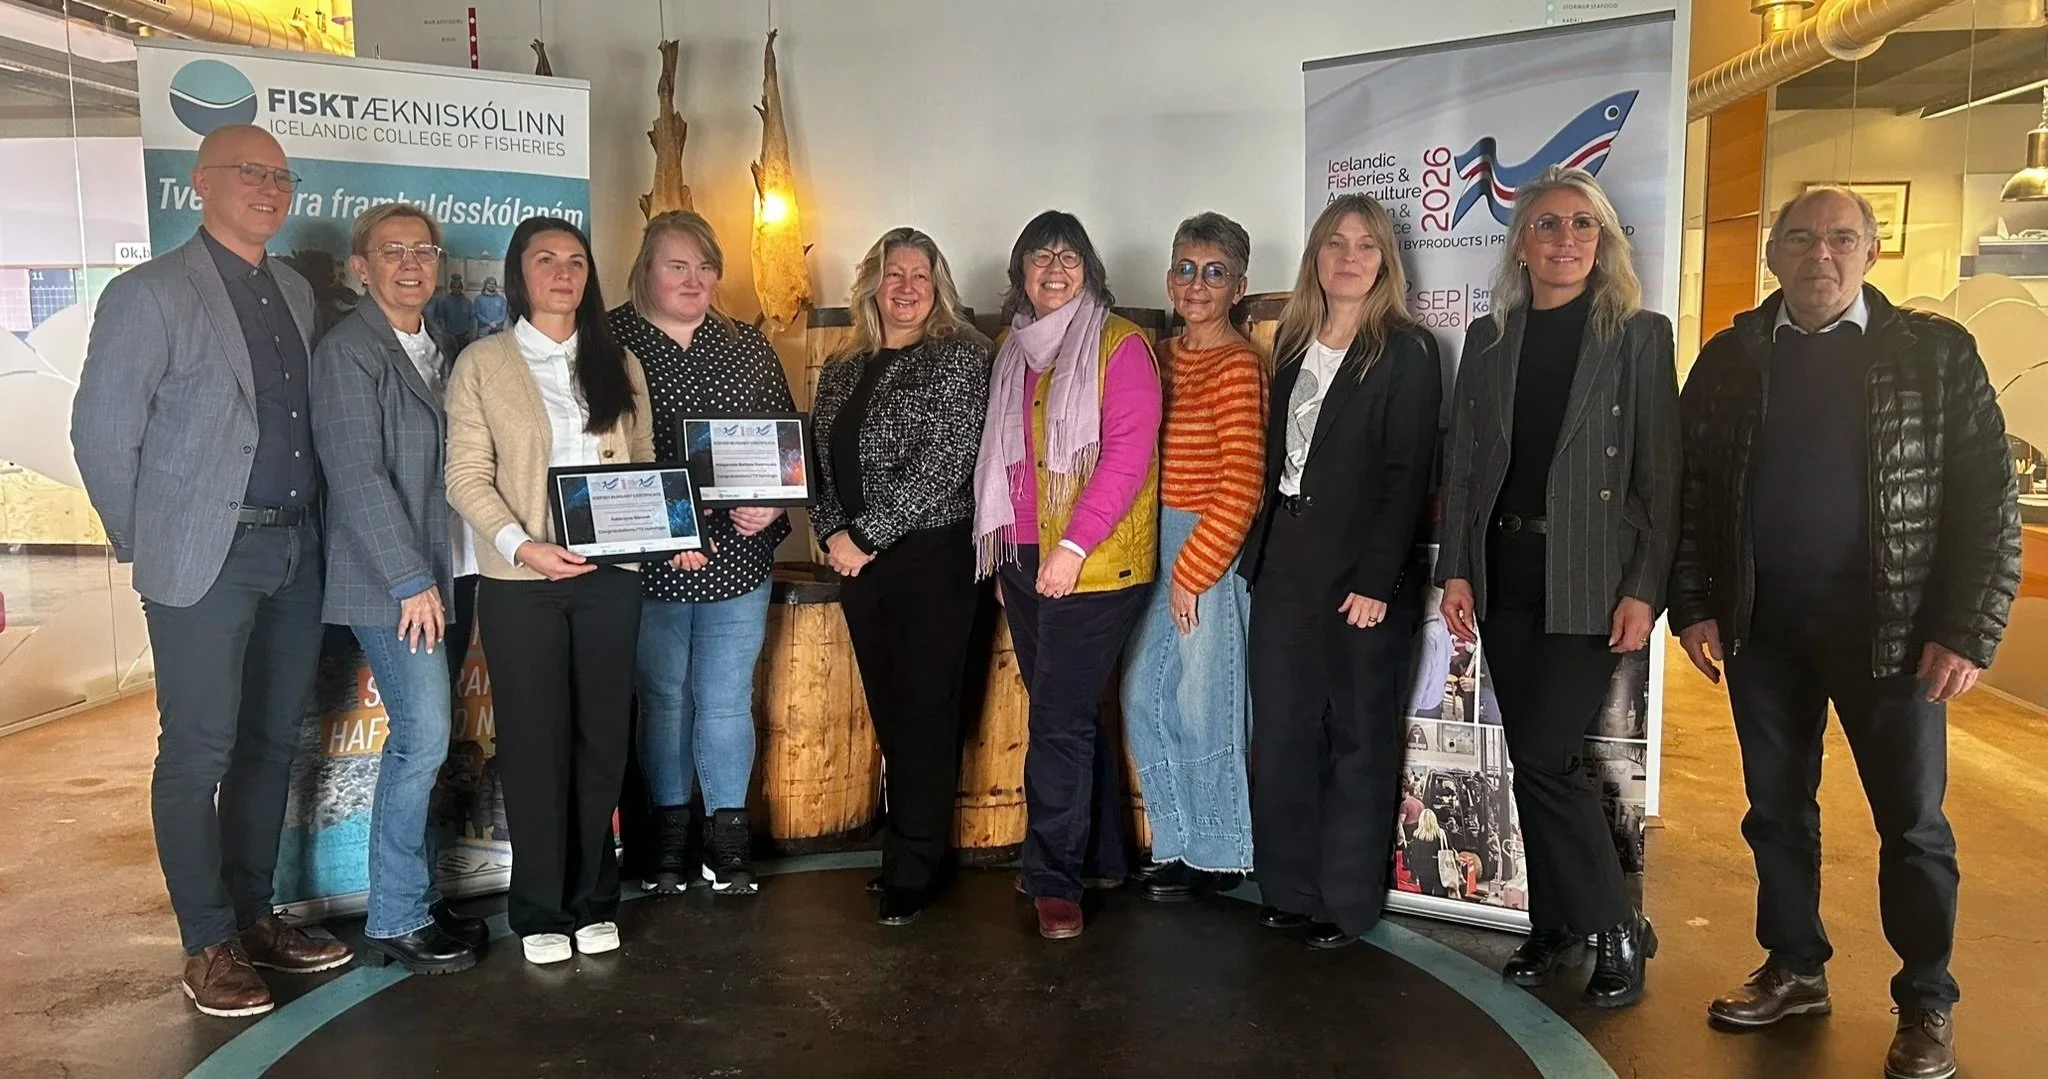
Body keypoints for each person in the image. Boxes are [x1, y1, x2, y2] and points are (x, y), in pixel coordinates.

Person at [1670, 185, 2020, 1079]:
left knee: (1913, 824)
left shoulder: (1935, 354)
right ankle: (1795, 966)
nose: (1818, 254)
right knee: (1776, 813)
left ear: (1870, 252)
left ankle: (1927, 999)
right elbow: (1691, 491)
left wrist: (1966, 629)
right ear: (1774, 254)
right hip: (1765, 632)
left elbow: (1988, 501)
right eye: (1800, 238)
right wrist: (1696, 602)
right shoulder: (1731, 359)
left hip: (1894, 638)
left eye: (1839, 238)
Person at [71, 124, 349, 1017]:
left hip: (295, 549)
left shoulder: (295, 291)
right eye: (250, 172)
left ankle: (256, 916)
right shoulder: (148, 293)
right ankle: (207, 941)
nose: (269, 189)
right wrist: (149, 543)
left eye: (281, 176)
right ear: (202, 183)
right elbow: (101, 433)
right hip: (204, 558)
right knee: (197, 751)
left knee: (271, 742)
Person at [1436, 166, 1679, 1008]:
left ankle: (1616, 925)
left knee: (1544, 754)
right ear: (1521, 244)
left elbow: (1662, 478)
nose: (1564, 238)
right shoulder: (1489, 337)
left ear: (1602, 242)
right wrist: (1457, 565)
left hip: (1590, 576)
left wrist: (1644, 587)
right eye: (1546, 223)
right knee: (1534, 757)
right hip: (1504, 568)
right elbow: (1464, 466)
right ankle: (1554, 922)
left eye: (1582, 224)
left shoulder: (1639, 336)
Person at [445, 216, 657, 965]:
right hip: (521, 582)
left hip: (610, 580)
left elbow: (644, 462)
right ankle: (539, 908)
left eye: (576, 261)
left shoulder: (618, 362)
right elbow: (465, 476)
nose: (563, 273)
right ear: (519, 273)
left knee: (602, 742)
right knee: (535, 745)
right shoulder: (482, 364)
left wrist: (665, 528)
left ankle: (594, 897)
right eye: (546, 260)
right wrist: (523, 545)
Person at [1237, 193, 1440, 950]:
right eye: (1334, 243)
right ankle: (1288, 886)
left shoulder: (1408, 350)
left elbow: (1407, 472)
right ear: (1315, 257)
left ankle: (1344, 901)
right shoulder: (1292, 344)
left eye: (1365, 245)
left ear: (1385, 261)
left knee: (1356, 736)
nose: (1348, 257)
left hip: (1360, 572)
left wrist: (1377, 581)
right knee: (1283, 729)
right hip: (1284, 559)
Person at [310, 204, 491, 975]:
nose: (411, 263)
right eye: (392, 251)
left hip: (453, 570)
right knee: (421, 738)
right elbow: (357, 476)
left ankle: (414, 896)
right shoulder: (348, 352)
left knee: (429, 739)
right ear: (362, 267)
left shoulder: (440, 346)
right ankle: (395, 917)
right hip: (397, 584)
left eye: (423, 249)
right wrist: (411, 581)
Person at [973, 211, 1162, 940]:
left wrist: (1074, 547)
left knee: (1055, 719)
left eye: (1069, 256)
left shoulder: (1122, 345)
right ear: (1020, 272)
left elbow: (1126, 457)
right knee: (1070, 712)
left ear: (1090, 269)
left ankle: (1053, 879)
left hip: (1096, 562)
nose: (1055, 268)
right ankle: (1101, 856)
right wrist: (1009, 555)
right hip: (1023, 556)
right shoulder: (1012, 349)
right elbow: (1005, 461)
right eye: (1040, 256)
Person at [608, 211, 794, 897]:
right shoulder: (607, 342)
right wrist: (675, 528)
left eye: (705, 267)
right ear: (646, 270)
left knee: (724, 700)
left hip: (739, 558)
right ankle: (668, 842)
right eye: (677, 266)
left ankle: (728, 841)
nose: (694, 280)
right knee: (662, 699)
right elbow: (601, 455)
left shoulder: (747, 345)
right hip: (652, 562)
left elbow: (783, 444)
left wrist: (772, 503)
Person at [811, 227, 990, 925]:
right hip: (860, 562)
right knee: (889, 708)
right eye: (894, 274)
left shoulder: (960, 357)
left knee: (925, 711)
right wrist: (833, 531)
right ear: (872, 286)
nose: (906, 287)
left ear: (938, 286)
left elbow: (948, 462)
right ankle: (916, 849)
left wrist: (864, 536)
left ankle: (913, 865)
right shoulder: (843, 364)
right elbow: (821, 460)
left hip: (933, 558)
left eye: (920, 275)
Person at [1117, 212, 1263, 903]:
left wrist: (1195, 571)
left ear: (1239, 287)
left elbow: (1243, 481)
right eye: (1185, 268)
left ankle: (1222, 848)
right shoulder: (1159, 355)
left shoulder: (1238, 365)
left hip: (1207, 542)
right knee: (1142, 693)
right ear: (1169, 277)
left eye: (1214, 272)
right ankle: (1175, 838)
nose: (1197, 284)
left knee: (1206, 702)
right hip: (1152, 537)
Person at [1406, 809, 1452, 899]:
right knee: (1440, 898)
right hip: (1440, 871)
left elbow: (1414, 856)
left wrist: (1414, 873)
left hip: (1423, 872)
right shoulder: (1441, 834)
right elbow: (1449, 849)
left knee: (1426, 897)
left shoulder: (1417, 835)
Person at [428, 274, 476, 353]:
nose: (456, 289)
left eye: (458, 287)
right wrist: (445, 333)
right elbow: (441, 318)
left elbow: (472, 318)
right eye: (454, 287)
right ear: (451, 287)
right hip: (450, 334)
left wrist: (469, 332)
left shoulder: (467, 302)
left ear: (461, 288)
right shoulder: (445, 302)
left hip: (464, 335)